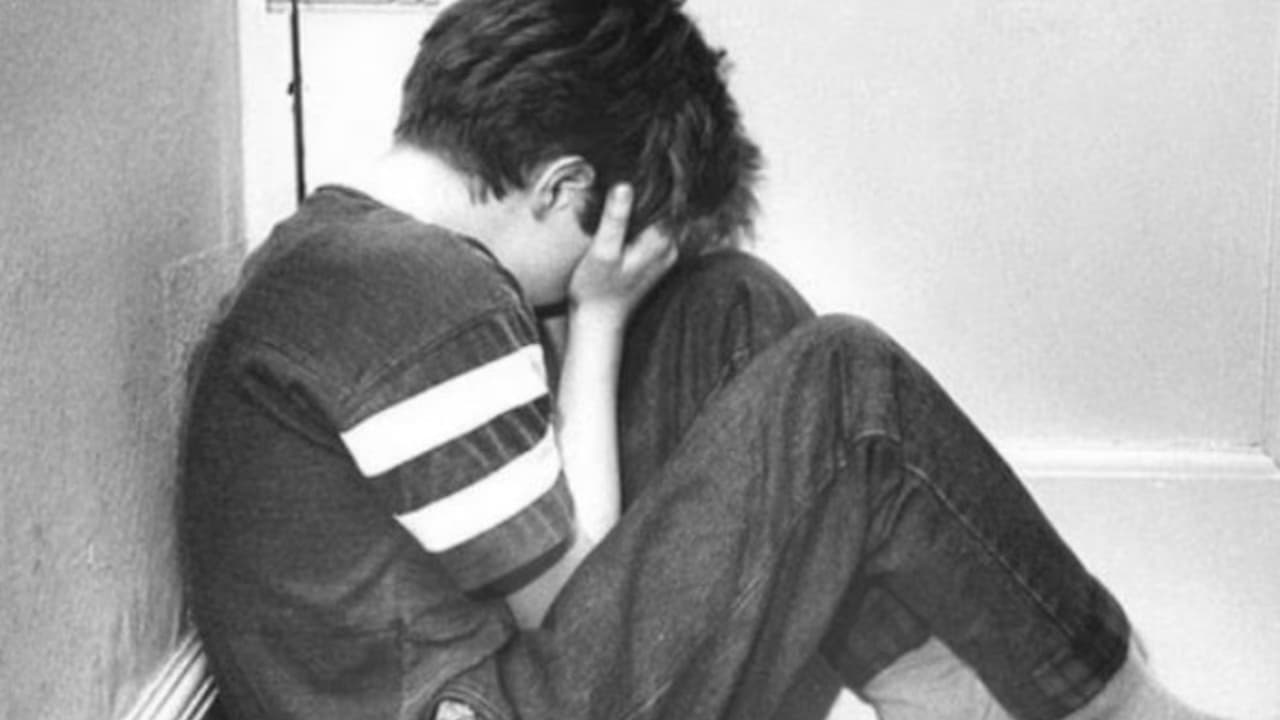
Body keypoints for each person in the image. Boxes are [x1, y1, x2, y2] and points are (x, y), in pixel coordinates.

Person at [179, 1, 1223, 719]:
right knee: (849, 389)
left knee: (728, 306)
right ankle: (1121, 708)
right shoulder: (431, 294)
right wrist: (594, 325)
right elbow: (569, 603)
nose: (594, 272)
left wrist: (596, 310)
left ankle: (948, 699)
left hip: (450, 676)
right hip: (478, 703)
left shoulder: (340, 254)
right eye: (601, 237)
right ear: (561, 187)